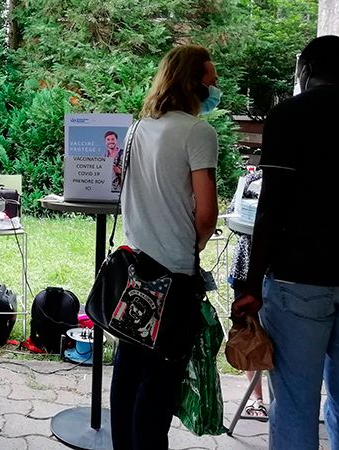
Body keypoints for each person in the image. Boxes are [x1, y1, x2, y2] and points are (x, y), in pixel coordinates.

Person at [232, 35, 339, 450]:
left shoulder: (289, 116)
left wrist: (250, 285)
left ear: (304, 69)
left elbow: (271, 205)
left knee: (297, 400)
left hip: (298, 278)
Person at [111, 44, 219, 449]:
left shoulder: (138, 127)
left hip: (135, 270)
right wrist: (195, 247)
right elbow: (206, 214)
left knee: (128, 372)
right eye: (210, 82)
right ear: (193, 82)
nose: (213, 90)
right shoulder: (198, 133)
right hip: (174, 275)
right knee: (159, 383)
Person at [227, 168, 266, 418]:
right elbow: (234, 214)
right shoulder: (251, 179)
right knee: (249, 332)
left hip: (283, 271)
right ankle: (257, 398)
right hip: (246, 264)